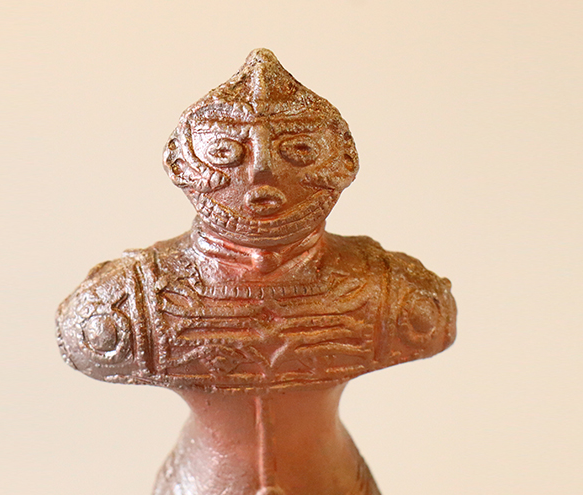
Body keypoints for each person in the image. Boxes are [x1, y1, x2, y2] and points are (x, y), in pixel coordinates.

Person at [57, 49, 456, 495]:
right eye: (225, 153)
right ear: (179, 166)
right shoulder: (128, 300)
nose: (262, 173)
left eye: (299, 151)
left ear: (345, 164)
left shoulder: (389, 288)